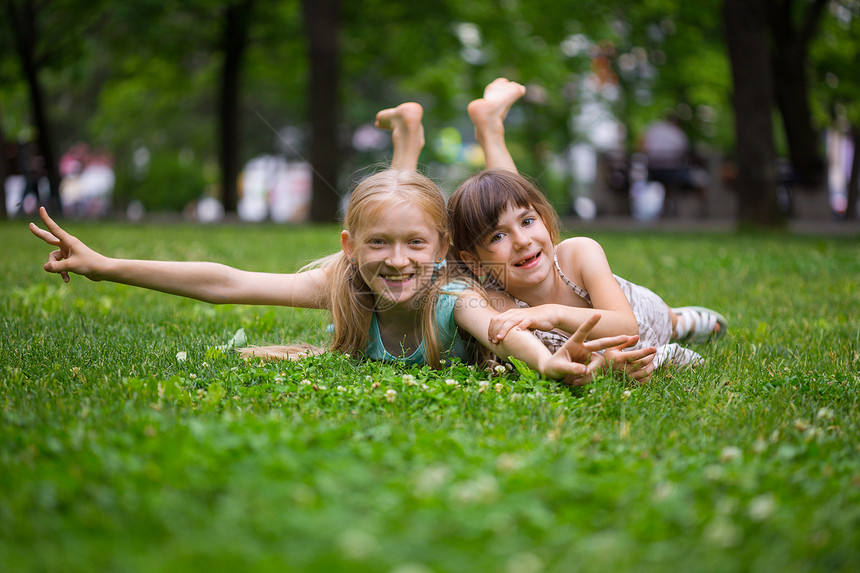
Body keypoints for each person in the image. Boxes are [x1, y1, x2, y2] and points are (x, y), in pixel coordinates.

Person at [29, 103, 634, 386]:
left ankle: (686, 317)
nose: (397, 262)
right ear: (348, 246)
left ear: (445, 249)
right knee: (397, 208)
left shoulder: (455, 296)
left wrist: (549, 363)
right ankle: (407, 141)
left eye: (417, 246)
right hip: (403, 248)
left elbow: (513, 336)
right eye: (375, 245)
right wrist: (105, 267)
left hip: (611, 304)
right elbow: (227, 283)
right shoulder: (344, 284)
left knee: (675, 327)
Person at [447, 79, 727, 381]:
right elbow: (546, 361)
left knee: (668, 320)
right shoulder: (496, 299)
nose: (522, 241)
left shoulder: (579, 252)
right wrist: (600, 366)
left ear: (545, 222)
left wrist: (551, 314)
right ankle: (490, 128)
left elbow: (626, 327)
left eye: (529, 222)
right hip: (611, 354)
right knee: (505, 201)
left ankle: (681, 321)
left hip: (647, 315)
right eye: (497, 236)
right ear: (474, 261)